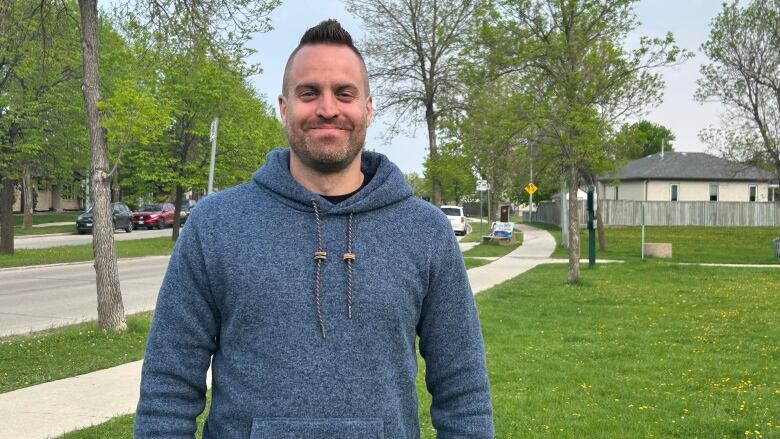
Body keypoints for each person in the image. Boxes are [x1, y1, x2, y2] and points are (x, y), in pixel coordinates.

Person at [134, 19, 494, 438]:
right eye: (309, 93)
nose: (327, 108)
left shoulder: (425, 230)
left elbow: (463, 390)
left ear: (368, 108)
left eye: (344, 93)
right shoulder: (215, 225)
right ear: (284, 107)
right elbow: (168, 387)